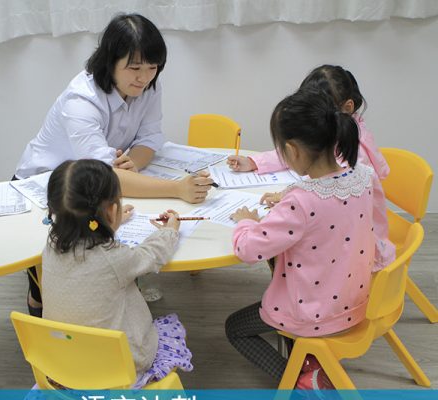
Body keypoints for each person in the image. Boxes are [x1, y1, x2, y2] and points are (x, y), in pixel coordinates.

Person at [15, 13, 213, 315]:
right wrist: (177, 189)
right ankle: (37, 299)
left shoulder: (149, 86)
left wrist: (130, 165)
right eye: (134, 67)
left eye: (152, 67)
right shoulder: (81, 100)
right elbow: (104, 177)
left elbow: (149, 139)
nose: (144, 77)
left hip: (96, 181)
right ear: (110, 61)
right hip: (45, 185)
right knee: (55, 265)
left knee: (109, 244)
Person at [225, 89, 378, 389]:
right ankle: (308, 363)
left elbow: (247, 250)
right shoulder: (362, 177)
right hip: (356, 303)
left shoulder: (301, 202)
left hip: (312, 315)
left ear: (292, 150)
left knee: (234, 328)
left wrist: (245, 220)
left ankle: (300, 384)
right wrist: (284, 202)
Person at [40, 159, 193, 388]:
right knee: (169, 327)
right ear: (111, 211)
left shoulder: (50, 247)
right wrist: (170, 230)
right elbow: (151, 255)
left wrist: (107, 222)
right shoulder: (113, 257)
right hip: (119, 369)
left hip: (65, 364)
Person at [227, 64, 394, 271]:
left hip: (347, 259)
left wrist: (247, 221)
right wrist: (256, 162)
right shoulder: (345, 149)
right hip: (355, 258)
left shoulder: (353, 155)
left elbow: (249, 249)